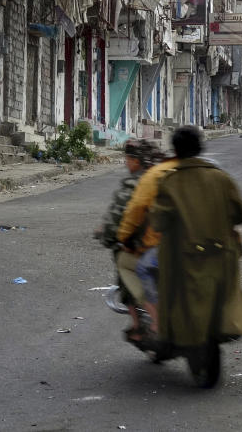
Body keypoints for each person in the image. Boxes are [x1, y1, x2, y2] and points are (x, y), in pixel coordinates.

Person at [149, 126, 242, 348]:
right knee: (230, 289)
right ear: (199, 148)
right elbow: (240, 214)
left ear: (175, 150)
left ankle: (170, 334)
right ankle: (227, 324)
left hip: (185, 259)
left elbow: (158, 222)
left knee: (166, 283)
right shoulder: (220, 178)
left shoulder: (169, 182)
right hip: (223, 255)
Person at [95, 139, 160, 339]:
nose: (126, 162)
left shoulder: (135, 184)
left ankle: (139, 324)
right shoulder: (167, 175)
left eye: (129, 158)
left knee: (123, 265)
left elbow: (120, 218)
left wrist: (108, 237)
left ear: (135, 161)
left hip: (147, 248)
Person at [116, 147, 179, 339]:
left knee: (136, 267)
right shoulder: (206, 172)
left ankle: (155, 321)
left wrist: (124, 238)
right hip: (203, 243)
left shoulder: (153, 177)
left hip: (167, 246)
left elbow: (135, 211)